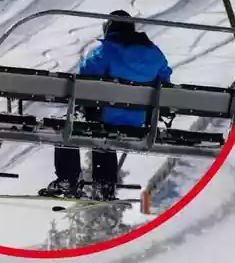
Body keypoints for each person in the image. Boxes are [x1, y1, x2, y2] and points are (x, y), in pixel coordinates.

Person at [39, 10, 173, 201]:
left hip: (105, 117)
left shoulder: (107, 51)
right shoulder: (155, 54)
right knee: (104, 133)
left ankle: (68, 178)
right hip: (137, 121)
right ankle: (105, 186)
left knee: (76, 126)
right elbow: (165, 81)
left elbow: (83, 77)